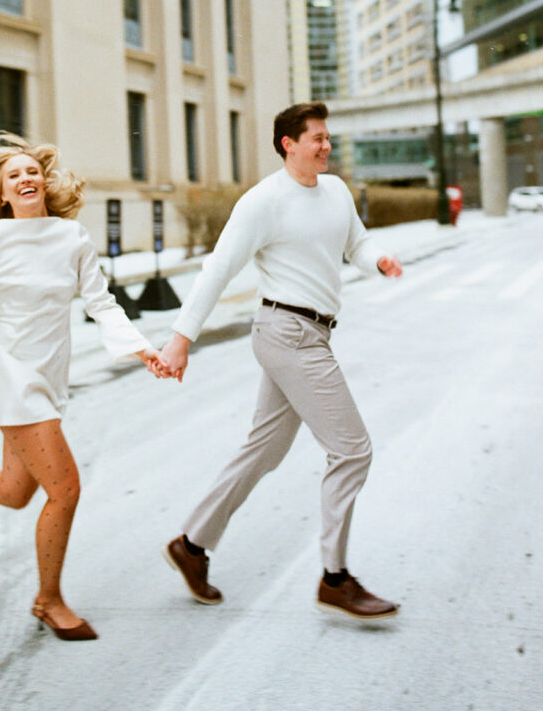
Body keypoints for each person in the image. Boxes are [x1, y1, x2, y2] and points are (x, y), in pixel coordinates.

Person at [0, 134, 168, 641]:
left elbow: (101, 303)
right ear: (2, 193)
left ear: (43, 182)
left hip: (48, 375)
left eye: (32, 171)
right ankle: (48, 599)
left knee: (15, 492)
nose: (26, 178)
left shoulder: (71, 238)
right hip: (11, 375)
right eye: (14, 175)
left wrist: (141, 348)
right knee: (65, 489)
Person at [160, 102, 402, 620]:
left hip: (309, 332)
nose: (326, 146)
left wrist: (375, 259)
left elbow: (354, 240)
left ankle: (192, 545)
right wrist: (181, 338)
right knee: (352, 450)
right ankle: (335, 579)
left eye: (327, 137)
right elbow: (218, 269)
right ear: (288, 144)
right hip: (288, 332)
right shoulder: (263, 202)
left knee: (263, 450)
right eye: (316, 138)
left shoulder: (334, 191)